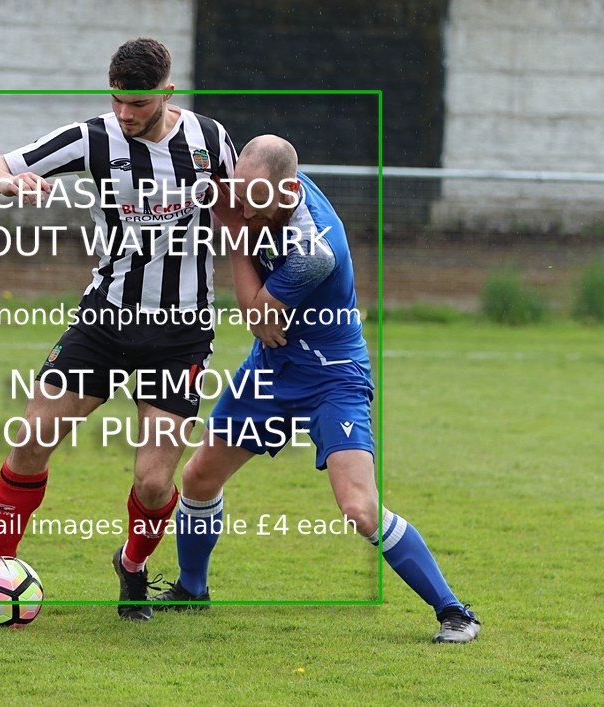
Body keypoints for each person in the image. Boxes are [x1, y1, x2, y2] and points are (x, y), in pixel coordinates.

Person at [0, 37, 237, 621]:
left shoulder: (211, 140)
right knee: (30, 440)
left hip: (180, 333)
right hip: (105, 319)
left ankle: (132, 566)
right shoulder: (93, 137)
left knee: (154, 484)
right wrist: (7, 183)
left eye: (140, 105)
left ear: (167, 93)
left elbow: (242, 209)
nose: (126, 114)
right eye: (118, 101)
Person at [150, 135, 481, 643]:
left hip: (332, 373)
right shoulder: (250, 191)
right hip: (273, 366)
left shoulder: (313, 248)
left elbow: (256, 313)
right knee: (197, 479)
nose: (243, 205)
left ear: (289, 190)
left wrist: (235, 233)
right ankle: (193, 590)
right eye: (240, 193)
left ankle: (455, 612)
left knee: (359, 508)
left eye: (254, 199)